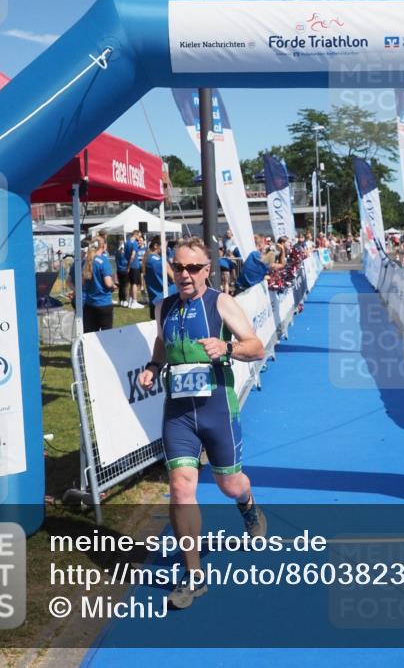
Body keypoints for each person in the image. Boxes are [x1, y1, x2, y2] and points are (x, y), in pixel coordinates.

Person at [137, 237, 267, 609]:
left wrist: (226, 348)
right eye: (178, 267)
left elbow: (255, 346)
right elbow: (162, 343)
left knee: (229, 484)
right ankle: (194, 576)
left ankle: (248, 504)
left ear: (207, 270)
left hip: (217, 411)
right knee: (180, 488)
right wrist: (152, 366)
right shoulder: (163, 306)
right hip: (178, 414)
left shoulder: (221, 303)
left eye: (193, 268)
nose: (185, 274)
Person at [82, 239, 115, 332]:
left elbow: (82, 282)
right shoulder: (103, 260)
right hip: (103, 303)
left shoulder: (87, 260)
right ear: (103, 246)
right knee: (106, 335)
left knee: (90, 335)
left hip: (90, 303)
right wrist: (113, 286)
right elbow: (108, 283)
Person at [144, 236, 176, 320]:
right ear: (156, 246)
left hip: (154, 300)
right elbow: (174, 279)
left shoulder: (148, 258)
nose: (166, 249)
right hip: (163, 300)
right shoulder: (158, 261)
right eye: (164, 246)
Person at [126, 230, 145, 309]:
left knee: (132, 283)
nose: (139, 238)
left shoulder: (126, 242)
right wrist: (129, 266)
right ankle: (134, 301)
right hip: (134, 266)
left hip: (130, 265)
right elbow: (133, 256)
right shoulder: (134, 243)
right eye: (139, 236)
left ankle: (130, 301)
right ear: (136, 235)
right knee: (134, 284)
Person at [115, 235, 131, 306]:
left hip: (119, 270)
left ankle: (121, 300)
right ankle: (124, 300)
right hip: (124, 270)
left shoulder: (117, 252)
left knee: (121, 285)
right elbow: (125, 261)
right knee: (125, 285)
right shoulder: (122, 252)